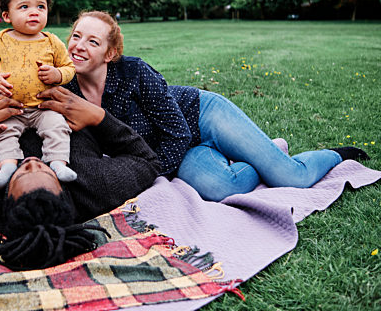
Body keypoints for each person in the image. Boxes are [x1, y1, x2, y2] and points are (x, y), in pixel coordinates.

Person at [43, 10, 370, 202]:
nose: (78, 46)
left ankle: (331, 154)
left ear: (110, 54)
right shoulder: (65, 88)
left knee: (291, 177)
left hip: (201, 117)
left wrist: (155, 177)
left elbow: (176, 131)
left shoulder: (134, 72)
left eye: (92, 41)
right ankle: (258, 154)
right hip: (180, 149)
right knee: (220, 188)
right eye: (75, 36)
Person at [0, 93, 160, 270]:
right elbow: (147, 161)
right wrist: (99, 117)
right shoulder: (96, 184)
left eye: (21, 172)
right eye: (44, 170)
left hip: (11, 104)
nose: (32, 160)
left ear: (5, 195)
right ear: (64, 189)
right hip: (65, 101)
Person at [0, 0, 76, 192]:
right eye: (24, 7)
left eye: (41, 7)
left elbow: (69, 67)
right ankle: (6, 166)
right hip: (11, 107)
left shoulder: (52, 41)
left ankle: (58, 163)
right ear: (7, 15)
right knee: (2, 131)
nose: (34, 12)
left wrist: (57, 75)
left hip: (43, 106)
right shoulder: (1, 39)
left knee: (58, 127)